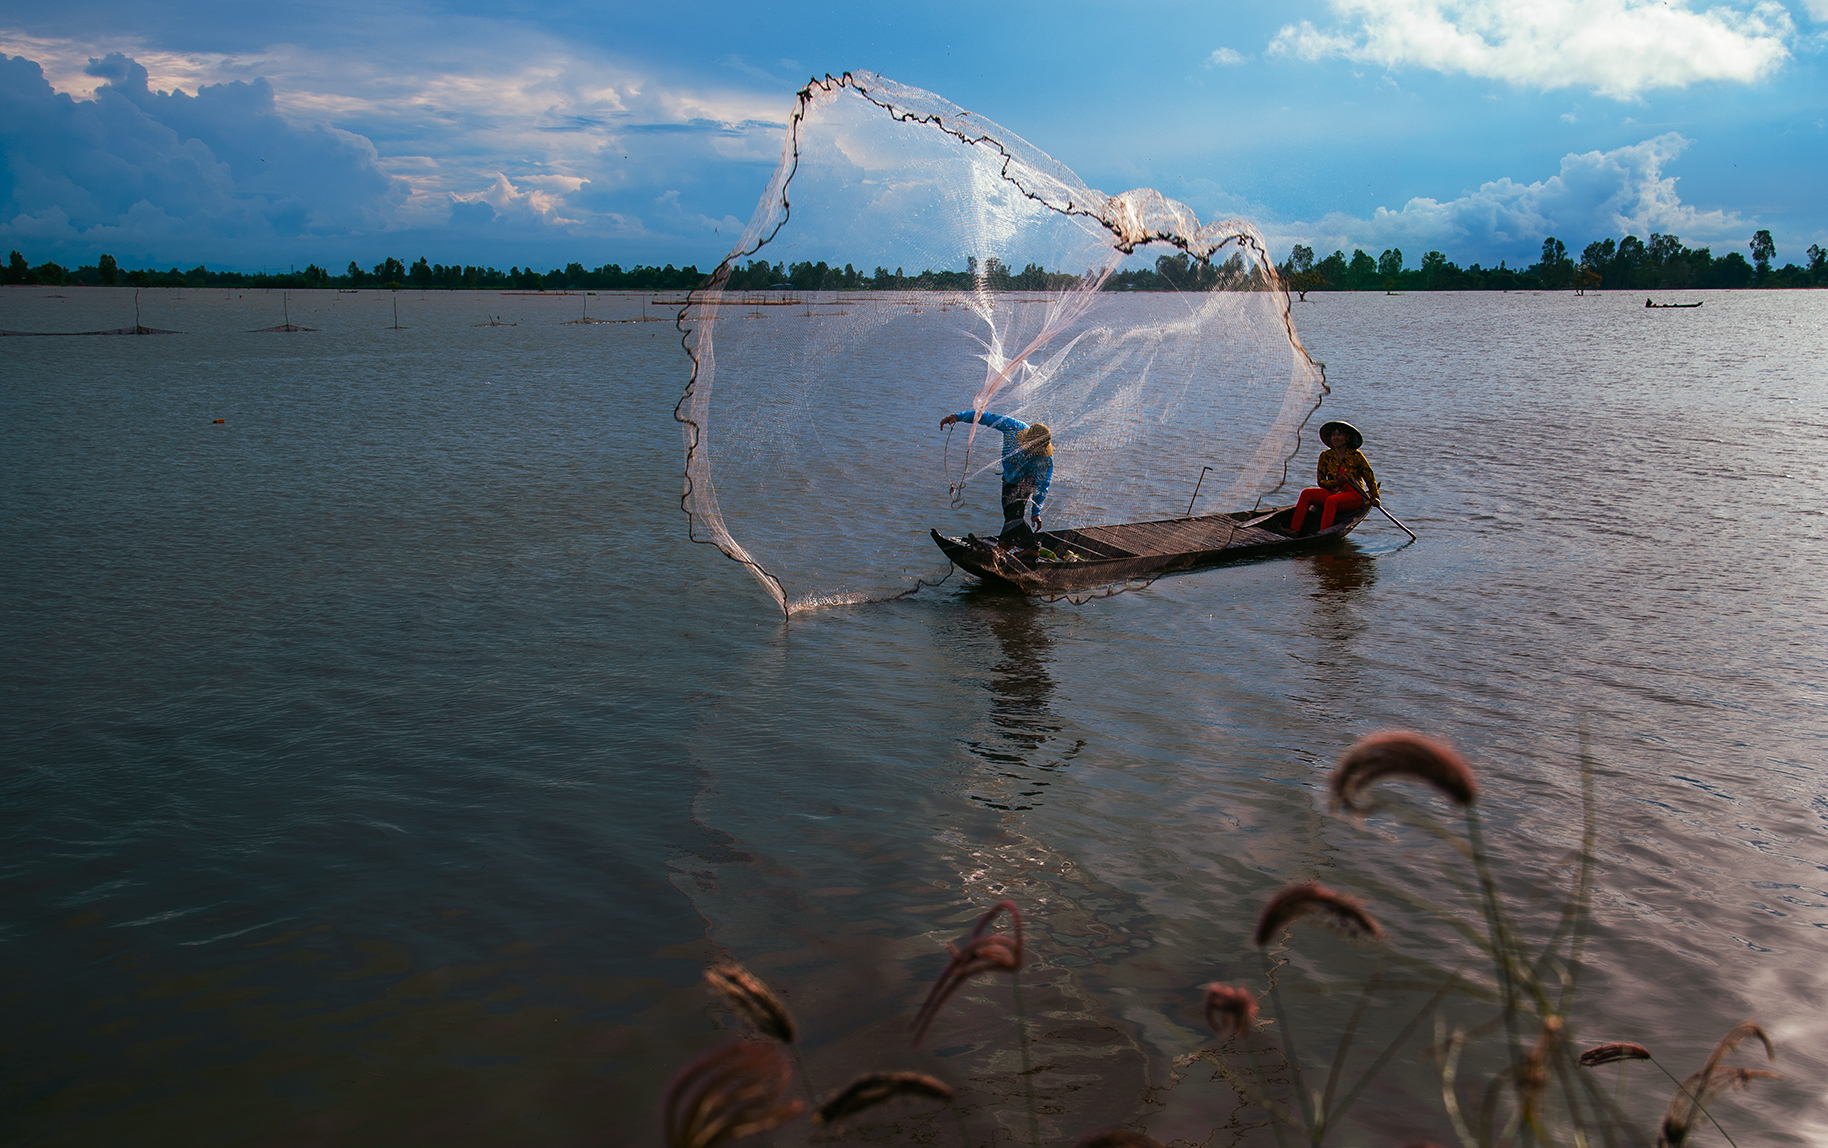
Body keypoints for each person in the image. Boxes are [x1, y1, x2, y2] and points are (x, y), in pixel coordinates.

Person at [940, 409, 1053, 545]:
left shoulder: (1045, 459)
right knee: (1009, 516)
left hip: (1025, 482)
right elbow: (986, 417)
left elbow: (1042, 485)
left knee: (1014, 517)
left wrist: (1036, 512)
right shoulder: (1013, 427)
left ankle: (1032, 548)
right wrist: (956, 417)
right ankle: (1005, 545)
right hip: (1008, 479)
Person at [1290, 420, 1379, 534]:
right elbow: (1321, 482)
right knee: (1306, 493)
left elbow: (1370, 478)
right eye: (1333, 435)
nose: (1336, 438)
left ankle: (1322, 533)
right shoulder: (1325, 456)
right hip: (1333, 491)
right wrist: (1335, 483)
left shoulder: (1356, 456)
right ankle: (1294, 529)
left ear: (1347, 437)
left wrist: (1375, 497)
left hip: (1354, 496)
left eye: (1339, 434)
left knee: (1332, 501)